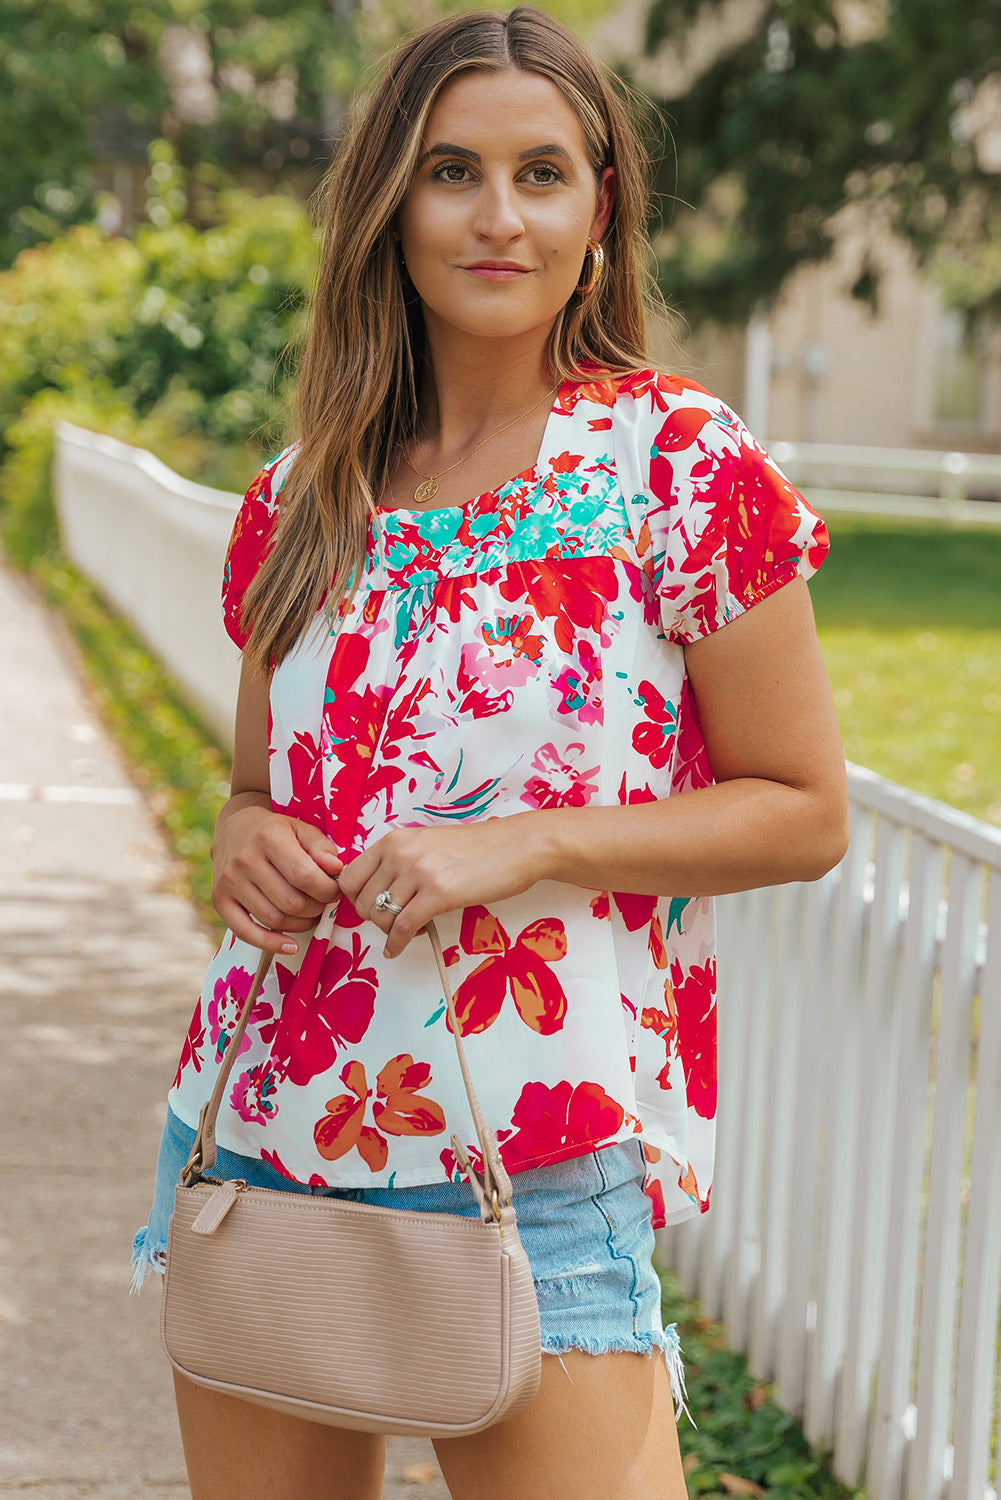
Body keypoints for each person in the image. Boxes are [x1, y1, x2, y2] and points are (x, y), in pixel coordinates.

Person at [132, 6, 849, 1496]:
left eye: (544, 174)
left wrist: (523, 843)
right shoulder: (305, 492)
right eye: (453, 170)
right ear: (391, 202)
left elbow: (802, 813)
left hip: (534, 1156)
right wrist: (238, 831)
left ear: (600, 216)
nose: (498, 215)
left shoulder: (673, 466)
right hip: (270, 1122)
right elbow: (263, 785)